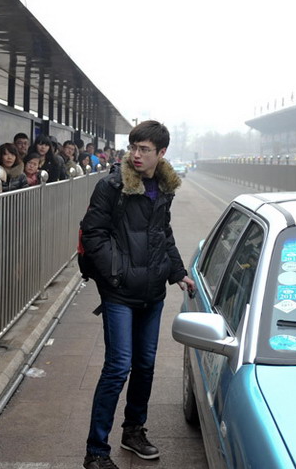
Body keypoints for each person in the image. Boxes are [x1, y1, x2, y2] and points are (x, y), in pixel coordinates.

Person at [80, 120, 194, 469]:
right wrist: (117, 272)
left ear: (161, 153)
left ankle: (134, 431)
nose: (136, 154)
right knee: (118, 367)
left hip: (152, 293)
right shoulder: (112, 186)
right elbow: (93, 233)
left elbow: (163, 233)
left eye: (144, 149)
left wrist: (177, 272)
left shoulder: (164, 187)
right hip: (120, 293)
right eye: (134, 147)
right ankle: (96, 452)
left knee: (145, 365)